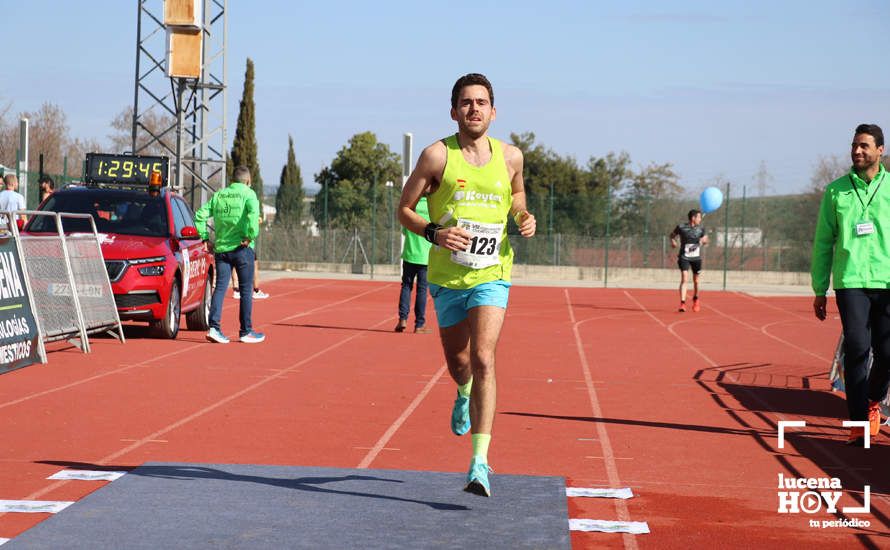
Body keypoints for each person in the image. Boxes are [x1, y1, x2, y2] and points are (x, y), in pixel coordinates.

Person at [397, 73, 536, 496]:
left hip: (492, 273)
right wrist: (435, 232)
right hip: (446, 276)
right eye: (466, 102)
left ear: (494, 111)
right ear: (454, 110)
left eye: (481, 102)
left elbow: (516, 195)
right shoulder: (436, 156)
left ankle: (479, 461)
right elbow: (404, 209)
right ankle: (462, 392)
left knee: (484, 357)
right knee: (460, 364)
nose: (474, 109)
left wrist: (522, 217)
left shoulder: (512, 156)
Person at [812, 123, 889, 446]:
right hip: (851, 281)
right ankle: (858, 421)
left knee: (886, 352)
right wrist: (820, 288)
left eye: (864, 146)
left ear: (880, 151)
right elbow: (822, 243)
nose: (857, 151)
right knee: (857, 348)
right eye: (854, 145)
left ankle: (873, 399)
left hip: (887, 281)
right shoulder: (836, 191)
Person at [195, 165, 265, 344]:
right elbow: (253, 214)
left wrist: (204, 238)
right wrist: (250, 236)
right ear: (248, 181)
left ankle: (214, 328)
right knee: (246, 289)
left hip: (222, 249)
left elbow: (200, 215)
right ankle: (245, 331)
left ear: (232, 181)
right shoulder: (249, 194)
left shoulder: (220, 195)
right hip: (242, 249)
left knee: (219, 288)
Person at [395, 196, 432, 333]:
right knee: (422, 290)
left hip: (409, 254)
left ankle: (402, 319)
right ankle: (419, 324)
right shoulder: (431, 207)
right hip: (425, 257)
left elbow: (404, 231)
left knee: (406, 287)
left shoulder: (410, 208)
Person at [670, 209, 709, 312]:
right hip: (684, 257)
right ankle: (682, 303)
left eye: (700, 217)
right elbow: (672, 235)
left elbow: (706, 239)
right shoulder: (681, 227)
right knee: (684, 278)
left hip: (696, 258)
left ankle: (696, 299)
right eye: (699, 217)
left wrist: (704, 241)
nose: (700, 219)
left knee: (696, 280)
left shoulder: (701, 229)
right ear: (693, 218)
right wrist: (673, 241)